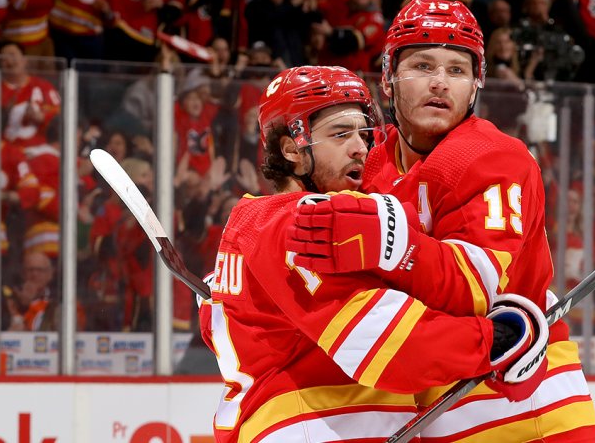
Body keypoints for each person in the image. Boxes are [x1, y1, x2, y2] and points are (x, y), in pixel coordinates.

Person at [288, 0, 595, 441]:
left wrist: (391, 243)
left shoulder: (491, 157)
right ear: (389, 79)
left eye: (457, 70)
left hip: (524, 406)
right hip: (435, 405)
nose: (440, 83)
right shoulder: (374, 160)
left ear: (476, 85)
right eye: (422, 65)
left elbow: (478, 289)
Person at [198, 66, 548, 442]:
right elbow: (387, 344)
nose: (360, 148)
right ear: (291, 149)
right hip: (316, 430)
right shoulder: (300, 224)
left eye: (363, 134)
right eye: (340, 134)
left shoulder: (255, 225)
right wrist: (494, 339)